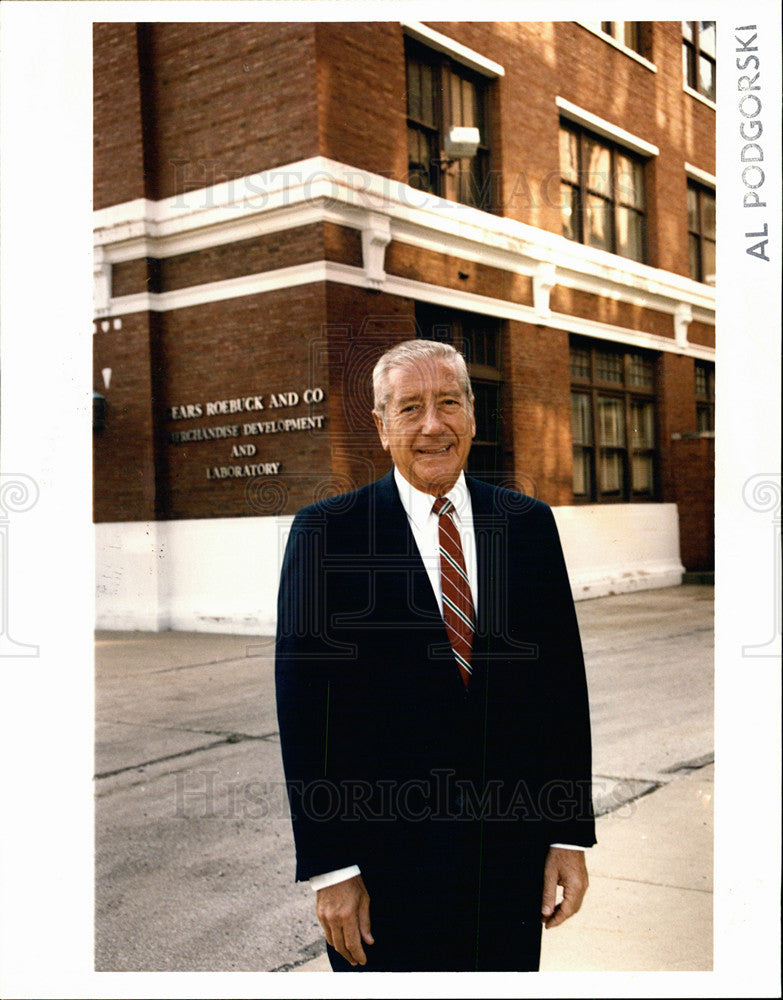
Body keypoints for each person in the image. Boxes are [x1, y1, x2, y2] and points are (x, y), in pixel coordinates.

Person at [275, 339, 595, 972]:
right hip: (383, 872)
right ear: (381, 423)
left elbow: (561, 689)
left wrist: (566, 834)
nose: (432, 425)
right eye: (410, 407)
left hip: (508, 862)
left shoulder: (527, 524)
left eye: (449, 403)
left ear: (473, 416)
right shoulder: (328, 533)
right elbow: (306, 714)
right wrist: (331, 867)